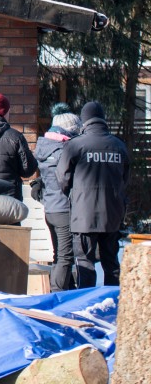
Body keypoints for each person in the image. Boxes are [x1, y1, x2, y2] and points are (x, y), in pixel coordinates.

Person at [57, 101, 130, 287]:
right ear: (103, 119)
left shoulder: (75, 145)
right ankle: (113, 303)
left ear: (84, 120)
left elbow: (62, 178)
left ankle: (85, 304)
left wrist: (75, 195)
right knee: (111, 262)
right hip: (112, 215)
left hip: (83, 215)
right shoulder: (119, 146)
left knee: (84, 263)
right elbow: (125, 179)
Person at [34, 106, 81, 290]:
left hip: (51, 207)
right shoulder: (65, 151)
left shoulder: (46, 149)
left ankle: (67, 291)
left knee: (59, 255)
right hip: (63, 207)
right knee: (65, 256)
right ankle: (57, 293)